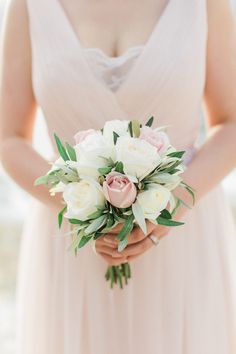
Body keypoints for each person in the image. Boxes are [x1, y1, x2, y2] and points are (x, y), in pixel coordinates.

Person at [1, 0, 236, 353]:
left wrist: (175, 201)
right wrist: (84, 209)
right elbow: (9, 137)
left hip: (182, 236)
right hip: (73, 244)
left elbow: (231, 121)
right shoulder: (29, 5)